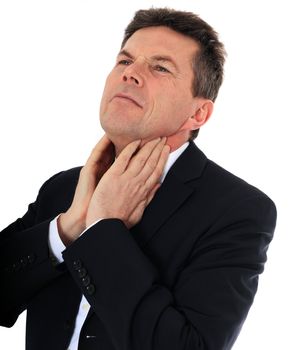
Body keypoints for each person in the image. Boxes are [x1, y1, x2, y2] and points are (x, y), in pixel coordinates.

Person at [0, 7, 276, 350]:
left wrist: (102, 230)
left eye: (160, 67)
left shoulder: (239, 210)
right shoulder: (61, 189)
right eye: (124, 61)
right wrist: (68, 229)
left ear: (198, 113)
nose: (131, 74)